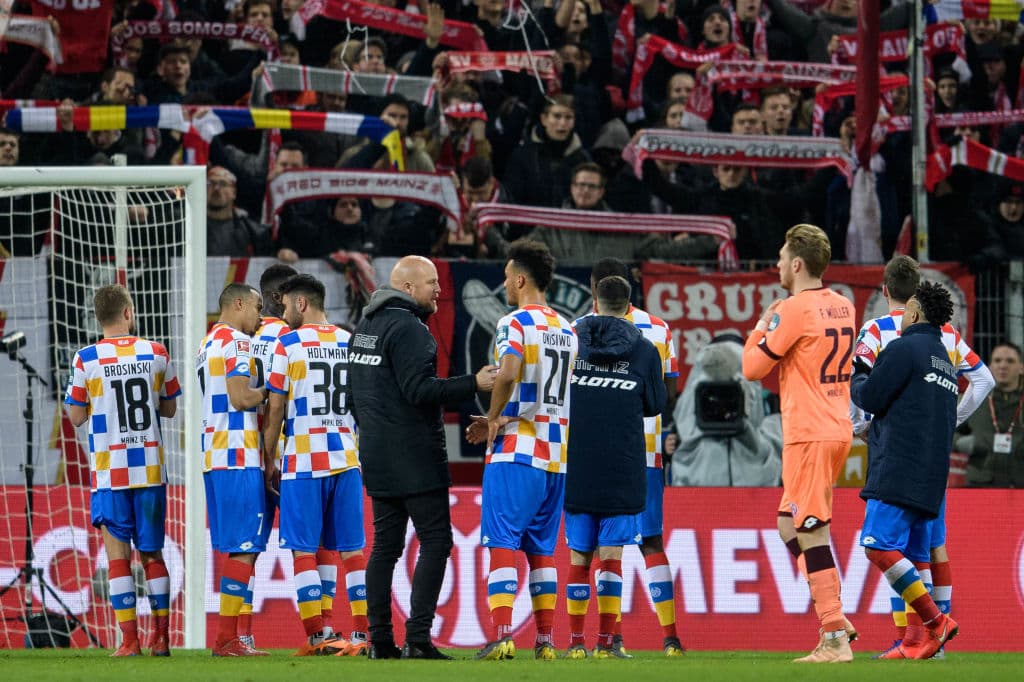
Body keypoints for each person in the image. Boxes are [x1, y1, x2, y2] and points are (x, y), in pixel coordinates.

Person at [347, 256, 498, 660]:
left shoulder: (364, 328)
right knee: (436, 541)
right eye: (432, 283)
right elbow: (419, 390)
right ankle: (417, 638)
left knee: (385, 548)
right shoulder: (410, 329)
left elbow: (354, 397)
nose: (439, 290)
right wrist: (474, 383)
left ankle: (379, 641)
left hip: (376, 453)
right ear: (409, 288)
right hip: (414, 455)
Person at [853, 255, 993, 656]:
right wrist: (950, 421)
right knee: (926, 551)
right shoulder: (946, 347)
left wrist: (860, 420)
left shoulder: (889, 336)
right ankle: (919, 642)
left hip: (898, 454)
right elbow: (983, 379)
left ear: (899, 300)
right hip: (935, 459)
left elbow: (868, 392)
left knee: (879, 544)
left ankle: (935, 622)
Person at [741, 224, 857, 663]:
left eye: (780, 256)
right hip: (836, 425)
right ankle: (837, 617)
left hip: (807, 431)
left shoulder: (792, 309)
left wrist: (761, 326)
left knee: (811, 527)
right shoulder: (843, 305)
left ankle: (833, 637)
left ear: (796, 263)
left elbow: (753, 368)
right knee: (789, 523)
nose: (775, 264)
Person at [466, 239, 578, 661]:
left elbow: (509, 372)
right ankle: (546, 641)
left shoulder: (514, 322)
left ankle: (500, 634)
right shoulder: (568, 329)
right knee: (542, 550)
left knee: (503, 542)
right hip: (556, 455)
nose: (504, 285)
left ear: (520, 278)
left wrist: (494, 418)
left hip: (517, 453)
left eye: (507, 277)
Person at [65, 284, 181, 657]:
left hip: (110, 473)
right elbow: (169, 408)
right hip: (149, 470)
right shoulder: (156, 352)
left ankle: (129, 642)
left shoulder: (86, 359)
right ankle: (161, 638)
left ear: (98, 318)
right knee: (152, 556)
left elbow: (77, 417)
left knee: (118, 559)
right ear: (129, 313)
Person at [578, 258, 685, 656]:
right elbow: (667, 391)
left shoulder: (580, 331)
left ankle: (611, 638)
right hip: (646, 449)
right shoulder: (658, 328)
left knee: (601, 547)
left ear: (595, 288)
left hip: (591, 450)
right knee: (651, 539)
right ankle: (671, 638)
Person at [563, 275, 667, 659]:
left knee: (578, 559)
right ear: (629, 307)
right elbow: (655, 405)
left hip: (576, 464)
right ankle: (607, 645)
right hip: (623, 466)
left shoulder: (572, 343)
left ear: (594, 300)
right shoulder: (645, 350)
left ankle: (575, 644)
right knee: (611, 560)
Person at [262, 275, 366, 656]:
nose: (284, 311)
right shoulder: (349, 341)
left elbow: (275, 407)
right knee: (352, 550)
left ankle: (317, 635)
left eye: (287, 304)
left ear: (301, 304)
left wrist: (268, 457)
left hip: (303, 460)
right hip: (346, 457)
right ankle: (360, 635)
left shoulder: (287, 343)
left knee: (303, 549)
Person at [195, 283, 272, 657]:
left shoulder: (207, 343)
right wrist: (271, 390)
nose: (259, 317)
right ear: (238, 303)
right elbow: (241, 397)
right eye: (257, 308)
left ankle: (231, 637)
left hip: (214, 455)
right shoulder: (239, 343)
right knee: (245, 548)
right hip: (239, 455)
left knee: (239, 549)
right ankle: (226, 638)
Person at [234, 263, 297, 649]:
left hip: (239, 453)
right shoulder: (288, 336)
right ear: (280, 298)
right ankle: (321, 629)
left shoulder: (234, 338)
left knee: (247, 549)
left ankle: (241, 634)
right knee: (309, 543)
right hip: (286, 452)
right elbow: (281, 401)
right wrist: (273, 454)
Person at [671, 333, 783, 486]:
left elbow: (755, 416)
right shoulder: (702, 369)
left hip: (739, 469)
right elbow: (684, 415)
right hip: (706, 470)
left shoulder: (747, 369)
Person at [957, 342, 1024, 487]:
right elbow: (944, 429)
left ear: (1021, 368)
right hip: (980, 486)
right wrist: (962, 443)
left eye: (1010, 361)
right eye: (997, 360)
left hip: (1019, 486)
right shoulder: (974, 398)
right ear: (990, 366)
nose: (1003, 366)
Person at [206, 166, 274, 257]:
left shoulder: (253, 232)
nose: (216, 188)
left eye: (223, 184)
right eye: (211, 183)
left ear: (234, 193)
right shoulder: (188, 227)